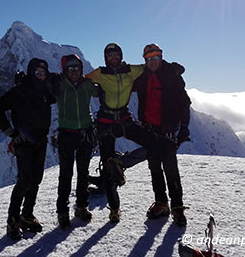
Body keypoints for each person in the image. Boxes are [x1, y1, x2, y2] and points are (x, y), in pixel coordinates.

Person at [86, 43, 156, 223]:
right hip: (106, 121)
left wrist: (170, 68)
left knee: (152, 145)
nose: (113, 57)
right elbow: (79, 80)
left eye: (116, 54)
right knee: (108, 169)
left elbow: (150, 66)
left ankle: (121, 162)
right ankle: (114, 209)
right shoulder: (100, 73)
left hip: (124, 118)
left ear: (120, 55)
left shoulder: (131, 70)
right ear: (105, 58)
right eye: (110, 55)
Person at [0, 58, 56, 240]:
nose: (41, 76)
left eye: (43, 73)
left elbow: (57, 91)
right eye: (37, 73)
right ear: (30, 73)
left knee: (35, 180)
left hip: (41, 142)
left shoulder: (45, 91)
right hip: (23, 143)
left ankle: (26, 215)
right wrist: (10, 132)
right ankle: (12, 221)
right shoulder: (18, 91)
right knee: (23, 181)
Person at [132, 44, 191, 227]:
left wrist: (184, 127)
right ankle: (161, 203)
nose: (153, 62)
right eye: (149, 59)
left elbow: (184, 103)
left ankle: (178, 208)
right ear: (145, 61)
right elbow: (124, 84)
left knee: (171, 170)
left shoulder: (171, 76)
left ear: (161, 58)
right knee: (155, 169)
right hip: (150, 131)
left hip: (167, 132)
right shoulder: (142, 77)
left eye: (156, 58)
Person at [51, 54, 98, 230]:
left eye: (76, 68)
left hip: (85, 133)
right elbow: (38, 84)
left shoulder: (87, 85)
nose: (74, 72)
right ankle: (62, 212)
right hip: (66, 134)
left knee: (83, 173)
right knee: (66, 175)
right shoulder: (59, 85)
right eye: (70, 69)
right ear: (64, 70)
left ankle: (81, 206)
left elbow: (103, 89)